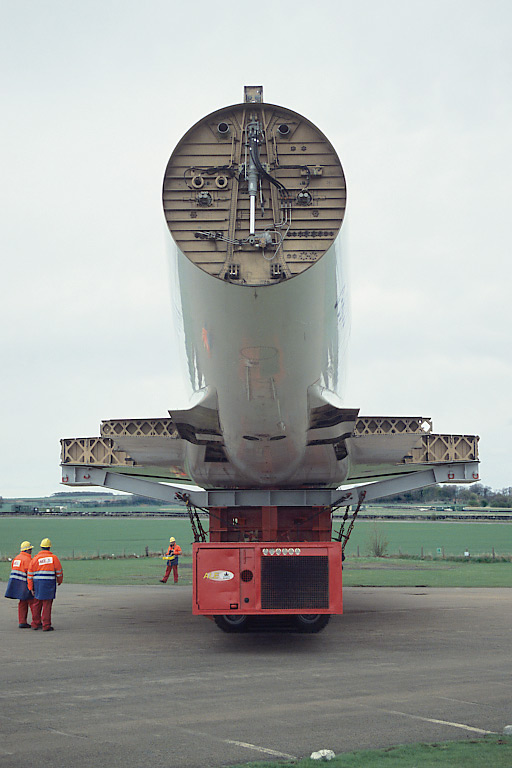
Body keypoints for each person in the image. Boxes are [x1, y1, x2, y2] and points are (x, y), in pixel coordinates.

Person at [27, 538, 63, 632]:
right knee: (47, 605)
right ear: (49, 547)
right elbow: (59, 572)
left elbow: (30, 575)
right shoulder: (54, 558)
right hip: (49, 584)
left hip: (37, 584)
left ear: (41, 547)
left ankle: (35, 623)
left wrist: (30, 587)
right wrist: (59, 581)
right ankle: (46, 625)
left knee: (36, 604)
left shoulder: (35, 559)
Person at [4, 541, 35, 628]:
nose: (31, 551)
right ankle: (36, 621)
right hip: (25, 583)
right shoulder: (28, 560)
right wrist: (31, 587)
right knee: (33, 602)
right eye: (30, 549)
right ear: (28, 550)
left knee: (22, 602)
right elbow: (30, 574)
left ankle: (22, 621)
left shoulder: (16, 558)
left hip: (16, 583)